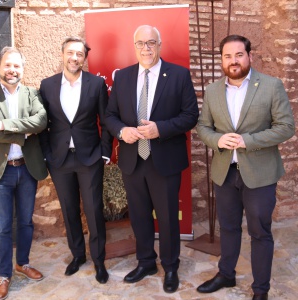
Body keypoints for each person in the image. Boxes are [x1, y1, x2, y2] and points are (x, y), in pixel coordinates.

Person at [196, 35, 295, 300]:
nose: (233, 61)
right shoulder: (212, 90)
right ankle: (226, 274)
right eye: (227, 56)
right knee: (227, 227)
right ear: (221, 61)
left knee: (259, 232)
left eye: (239, 55)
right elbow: (203, 127)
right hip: (224, 172)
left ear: (249, 56)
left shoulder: (272, 86)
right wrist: (217, 139)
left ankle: (260, 290)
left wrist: (247, 141)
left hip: (260, 175)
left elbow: (286, 127)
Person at [104, 25, 199, 293]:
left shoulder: (178, 75)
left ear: (160, 44)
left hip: (164, 158)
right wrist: (122, 131)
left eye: (151, 43)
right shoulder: (122, 77)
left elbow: (190, 115)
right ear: (134, 46)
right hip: (133, 159)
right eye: (141, 43)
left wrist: (161, 128)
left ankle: (170, 267)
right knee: (139, 215)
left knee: (168, 217)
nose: (146, 48)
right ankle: (146, 261)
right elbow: (110, 116)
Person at [0, 46, 48, 300]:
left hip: (27, 169)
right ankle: (4, 275)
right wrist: (24, 132)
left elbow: (41, 122)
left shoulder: (32, 93)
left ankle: (23, 264)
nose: (12, 70)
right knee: (3, 227)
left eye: (17, 66)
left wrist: (4, 125)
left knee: (26, 222)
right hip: (1, 171)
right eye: (7, 65)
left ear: (22, 69)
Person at [39, 37, 112, 284]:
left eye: (79, 54)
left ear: (85, 58)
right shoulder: (47, 86)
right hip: (59, 160)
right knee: (69, 211)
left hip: (90, 158)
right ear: (63, 55)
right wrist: (47, 154)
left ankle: (99, 260)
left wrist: (104, 152)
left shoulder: (96, 84)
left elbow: (106, 120)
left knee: (94, 210)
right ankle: (78, 256)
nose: (74, 58)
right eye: (70, 53)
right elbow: (42, 125)